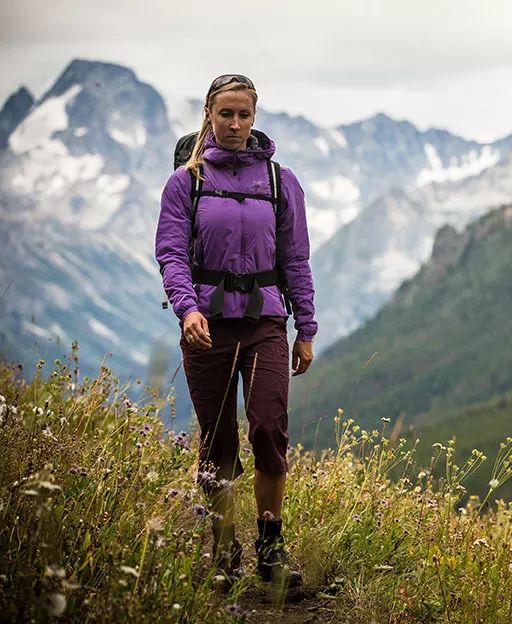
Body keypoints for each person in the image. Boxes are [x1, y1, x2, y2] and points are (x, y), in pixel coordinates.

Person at [155, 73, 316, 592]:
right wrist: (187, 309)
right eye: (226, 114)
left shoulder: (279, 181)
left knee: (269, 428)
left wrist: (305, 326)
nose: (235, 124)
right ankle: (224, 550)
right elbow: (172, 254)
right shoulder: (187, 181)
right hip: (206, 326)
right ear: (208, 115)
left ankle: (271, 548)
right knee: (217, 443)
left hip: (267, 322)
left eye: (244, 114)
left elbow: (296, 258)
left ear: (255, 117)